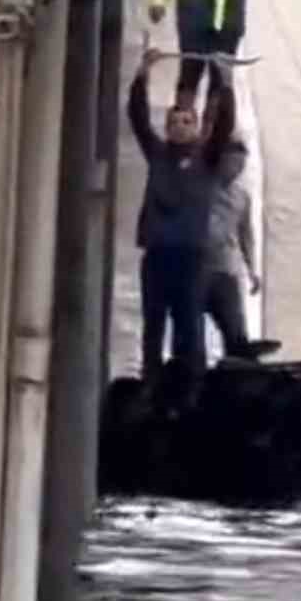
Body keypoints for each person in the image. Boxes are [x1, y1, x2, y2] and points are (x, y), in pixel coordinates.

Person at [127, 47, 235, 405]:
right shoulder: (158, 154)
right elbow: (138, 118)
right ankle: (151, 385)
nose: (179, 126)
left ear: (197, 126)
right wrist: (142, 74)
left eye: (187, 121)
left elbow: (223, 125)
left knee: (189, 325)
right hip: (158, 255)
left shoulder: (207, 159)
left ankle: (191, 389)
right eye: (174, 122)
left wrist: (224, 79)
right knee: (153, 324)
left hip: (191, 258)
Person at [203, 137, 261, 358]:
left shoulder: (241, 195)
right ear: (221, 160)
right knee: (190, 331)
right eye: (233, 163)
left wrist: (252, 269)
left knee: (235, 331)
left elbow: (246, 233)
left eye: (241, 165)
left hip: (226, 270)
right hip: (197, 268)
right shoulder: (201, 187)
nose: (237, 169)